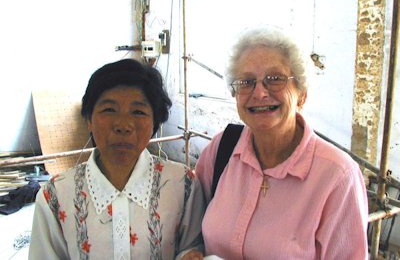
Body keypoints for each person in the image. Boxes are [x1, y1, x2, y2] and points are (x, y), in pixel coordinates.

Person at [195, 26, 369, 259]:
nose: (259, 93)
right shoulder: (222, 149)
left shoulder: (337, 176)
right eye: (246, 82)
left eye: (274, 79)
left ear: (302, 94)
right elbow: (193, 232)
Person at [29, 59, 205, 260]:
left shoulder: (183, 184)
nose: (123, 125)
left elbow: (192, 246)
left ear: (154, 123)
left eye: (138, 112)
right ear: (88, 119)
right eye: (109, 110)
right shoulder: (55, 196)